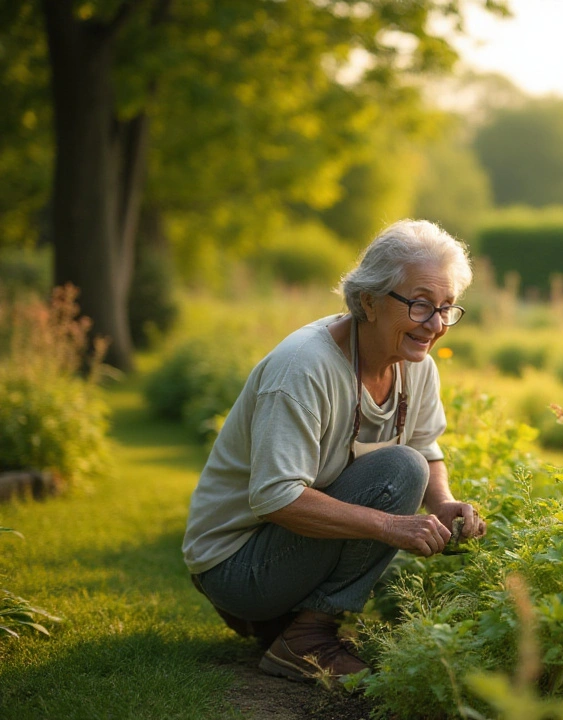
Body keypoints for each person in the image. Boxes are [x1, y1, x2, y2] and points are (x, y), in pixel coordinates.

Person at [182, 220, 486, 683]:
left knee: (412, 467)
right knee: (401, 469)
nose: (437, 325)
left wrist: (443, 505)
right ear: (368, 301)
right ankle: (306, 639)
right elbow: (275, 496)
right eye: (421, 304)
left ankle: (291, 625)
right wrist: (390, 526)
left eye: (446, 308)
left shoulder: (413, 360)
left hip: (285, 554)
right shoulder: (304, 368)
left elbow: (426, 447)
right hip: (236, 565)